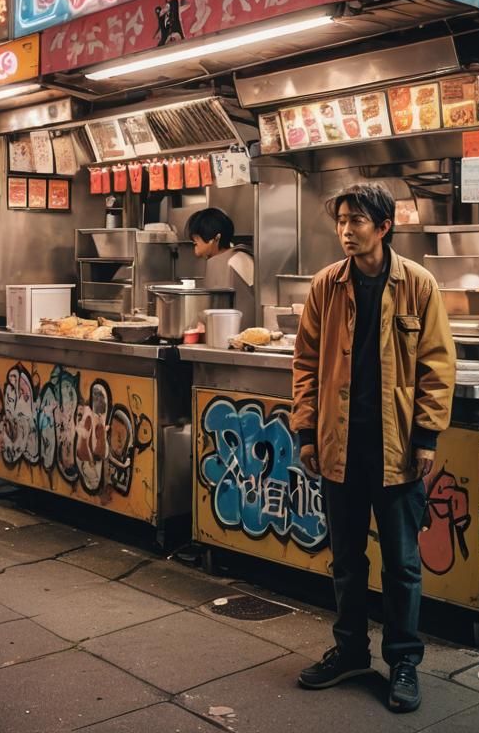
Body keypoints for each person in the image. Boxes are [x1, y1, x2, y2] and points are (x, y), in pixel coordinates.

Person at [291, 183, 455, 714]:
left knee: (403, 563)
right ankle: (351, 651)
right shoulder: (325, 286)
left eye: (357, 221)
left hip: (397, 448)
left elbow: (437, 365)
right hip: (340, 446)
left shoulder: (418, 285)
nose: (346, 230)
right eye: (341, 220)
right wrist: (307, 431)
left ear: (384, 226)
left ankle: (403, 661)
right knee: (346, 561)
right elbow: (306, 364)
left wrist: (427, 435)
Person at [186, 208, 256, 329]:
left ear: (217, 238)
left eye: (199, 235)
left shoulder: (239, 259)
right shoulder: (214, 261)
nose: (194, 239)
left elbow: (254, 305)